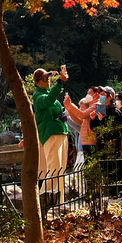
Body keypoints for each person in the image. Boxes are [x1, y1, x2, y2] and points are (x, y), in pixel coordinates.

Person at [33, 67, 69, 202]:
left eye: (48, 78)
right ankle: (46, 199)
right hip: (51, 135)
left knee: (61, 168)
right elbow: (48, 100)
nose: (48, 80)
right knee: (54, 168)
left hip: (60, 133)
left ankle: (60, 201)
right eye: (44, 78)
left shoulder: (47, 94)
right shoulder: (38, 96)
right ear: (37, 82)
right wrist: (59, 82)